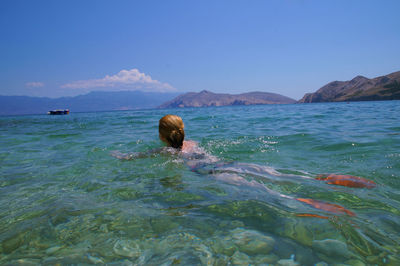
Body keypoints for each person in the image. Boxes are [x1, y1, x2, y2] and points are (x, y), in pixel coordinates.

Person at [113, 114, 375, 218]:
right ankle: (321, 178)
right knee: (277, 174)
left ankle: (304, 202)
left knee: (264, 191)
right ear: (183, 130)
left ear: (162, 135)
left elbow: (134, 157)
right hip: (227, 162)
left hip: (211, 173)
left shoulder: (163, 152)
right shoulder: (192, 142)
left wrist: (121, 156)